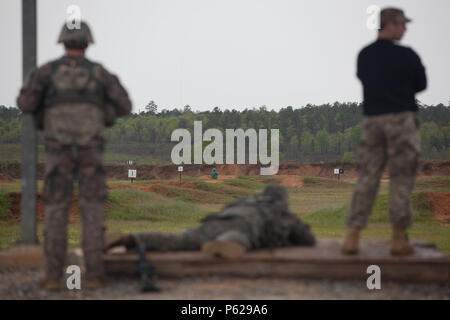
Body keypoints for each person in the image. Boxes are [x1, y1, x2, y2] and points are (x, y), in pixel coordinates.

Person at [17, 21, 132, 290]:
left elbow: (26, 104)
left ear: (63, 42)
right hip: (91, 150)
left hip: (58, 150)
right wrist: (104, 112)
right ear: (88, 42)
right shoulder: (99, 74)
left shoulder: (47, 72)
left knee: (56, 209)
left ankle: (52, 278)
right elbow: (124, 105)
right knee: (92, 208)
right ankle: (94, 275)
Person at [342, 8, 427, 255]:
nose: (405, 29)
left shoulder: (365, 55)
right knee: (401, 179)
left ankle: (352, 236)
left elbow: (363, 78)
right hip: (401, 119)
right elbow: (422, 84)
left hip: (372, 121)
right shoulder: (407, 55)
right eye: (402, 25)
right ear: (390, 24)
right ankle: (399, 240)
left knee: (367, 177)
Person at [105, 184, 316, 258]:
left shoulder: (246, 201)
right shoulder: (282, 213)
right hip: (244, 228)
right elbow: (307, 240)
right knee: (240, 237)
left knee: (178, 240)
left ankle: (131, 239)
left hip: (218, 221)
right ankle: (227, 244)